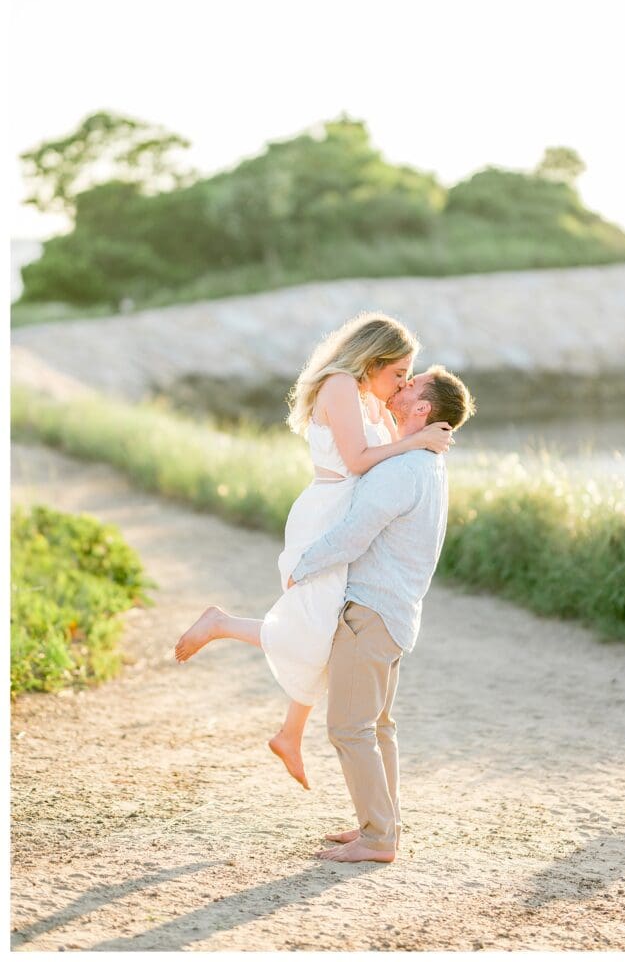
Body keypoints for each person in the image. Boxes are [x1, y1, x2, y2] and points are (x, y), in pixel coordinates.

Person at [173, 313, 454, 789]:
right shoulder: (341, 385)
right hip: (325, 516)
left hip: (345, 515)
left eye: (408, 376)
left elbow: (395, 450)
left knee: (324, 634)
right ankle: (220, 625)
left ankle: (289, 732)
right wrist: (420, 441)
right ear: (375, 358)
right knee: (315, 629)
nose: (402, 383)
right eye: (400, 373)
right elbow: (360, 461)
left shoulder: (368, 397)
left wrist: (421, 439)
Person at [286, 364, 475, 864]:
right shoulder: (426, 462)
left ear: (422, 409)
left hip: (370, 611)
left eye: (412, 385)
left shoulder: (401, 468)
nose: (402, 384)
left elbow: (355, 532)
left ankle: (378, 839)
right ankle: (381, 825)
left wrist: (303, 566)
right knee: (378, 727)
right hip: (396, 612)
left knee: (348, 728)